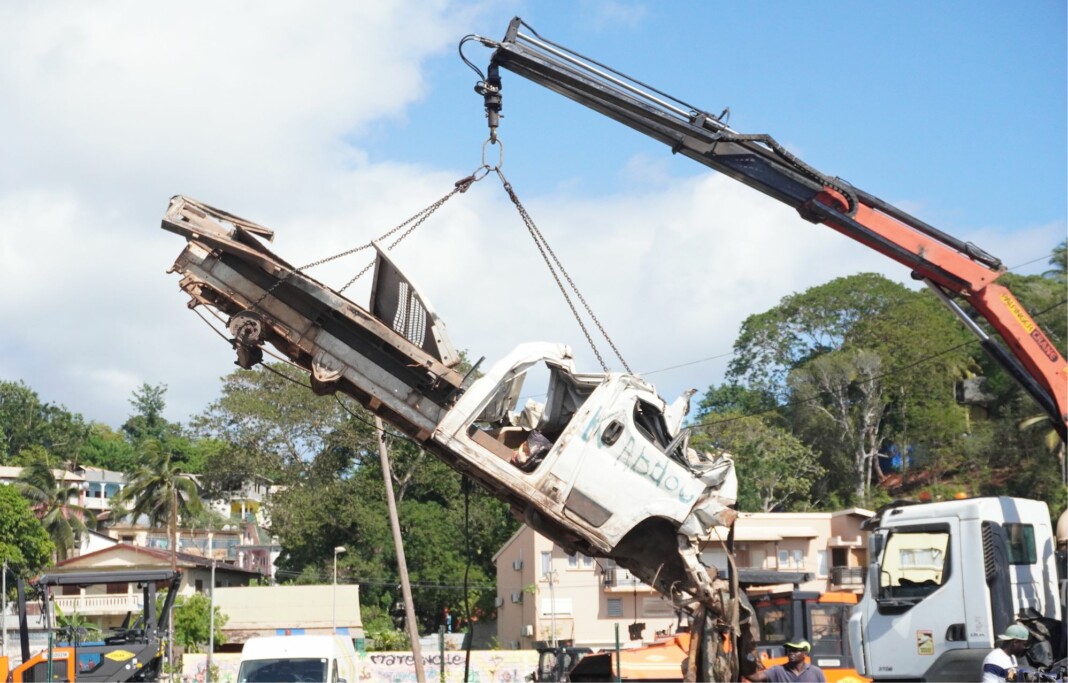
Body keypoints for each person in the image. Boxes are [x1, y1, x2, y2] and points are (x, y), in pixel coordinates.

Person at [745, 640, 827, 682]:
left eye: (795, 650)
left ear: (805, 653)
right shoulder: (777, 670)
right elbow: (755, 677)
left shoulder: (816, 672)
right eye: (789, 650)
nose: (791, 653)